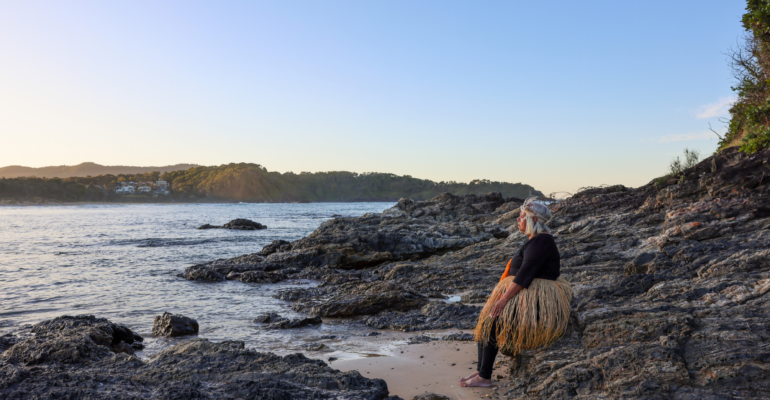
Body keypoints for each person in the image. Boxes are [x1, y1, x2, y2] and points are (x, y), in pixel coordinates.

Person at [460, 197, 572, 388]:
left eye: (521, 217)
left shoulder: (542, 241)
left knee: (492, 322)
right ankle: (481, 370)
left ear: (534, 220)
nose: (518, 220)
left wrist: (503, 300)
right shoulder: (535, 240)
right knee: (486, 321)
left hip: (533, 298)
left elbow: (525, 273)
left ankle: (484, 377)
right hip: (524, 293)